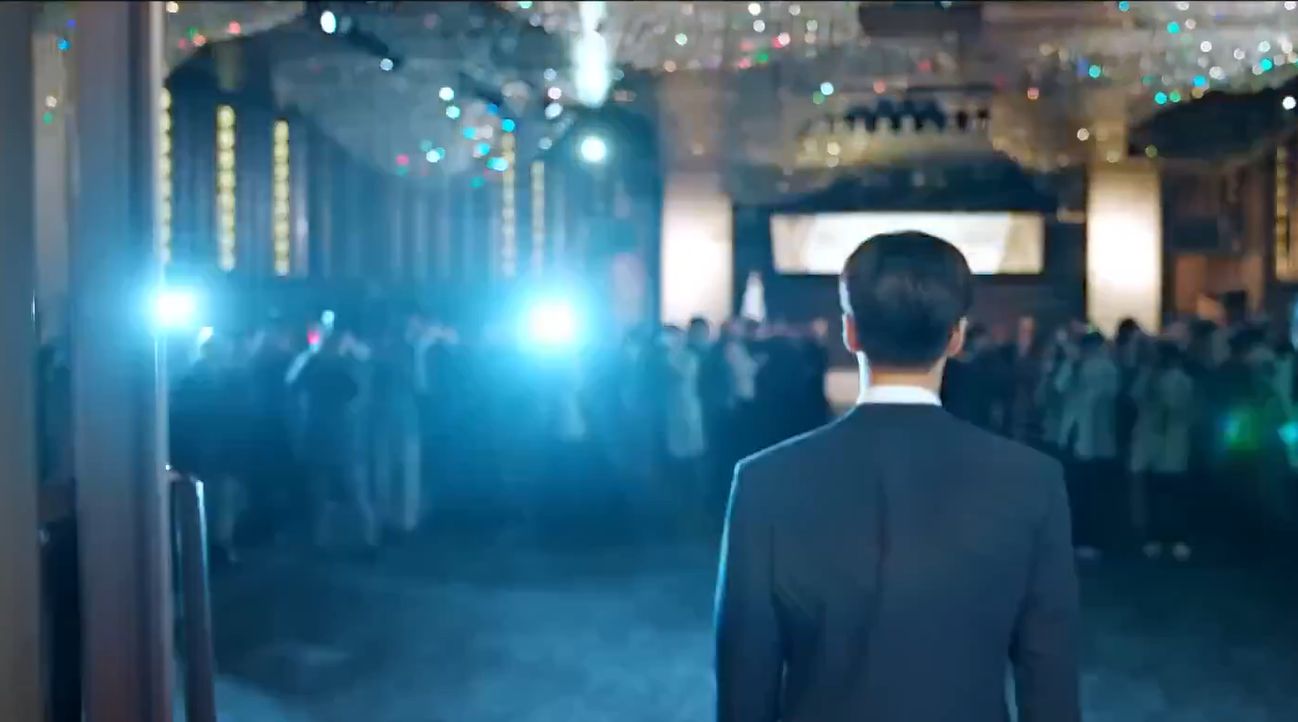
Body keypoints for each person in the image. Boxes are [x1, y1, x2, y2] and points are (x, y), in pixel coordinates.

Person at [715, 231, 1080, 722]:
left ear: (850, 332)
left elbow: (744, 686)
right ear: (956, 336)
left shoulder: (764, 481)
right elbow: (1050, 682)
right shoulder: (1031, 481)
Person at [1129, 341, 1196, 561]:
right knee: (1154, 494)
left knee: (1173, 494)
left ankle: (1177, 538)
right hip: (1152, 446)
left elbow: (1179, 407)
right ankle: (1154, 537)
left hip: (1172, 444)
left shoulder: (1181, 379)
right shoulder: (1146, 377)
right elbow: (1136, 398)